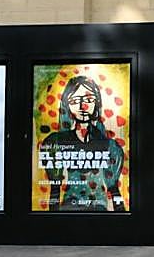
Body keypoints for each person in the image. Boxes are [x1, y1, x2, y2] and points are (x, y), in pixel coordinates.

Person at [37, 75, 126, 212]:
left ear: (97, 103)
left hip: (99, 212)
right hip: (68, 210)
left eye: (89, 100)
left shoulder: (110, 147)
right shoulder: (56, 142)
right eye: (75, 100)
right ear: (67, 105)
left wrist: (122, 220)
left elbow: (114, 191)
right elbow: (55, 191)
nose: (82, 106)